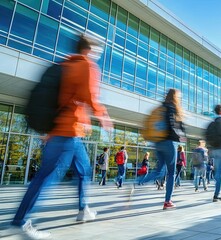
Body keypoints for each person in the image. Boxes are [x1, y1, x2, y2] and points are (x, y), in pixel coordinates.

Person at [11, 34, 112, 239]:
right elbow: (90, 97)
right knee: (47, 176)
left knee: (83, 171)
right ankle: (21, 221)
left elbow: (64, 99)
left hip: (66, 131)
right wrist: (103, 117)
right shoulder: (86, 66)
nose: (98, 54)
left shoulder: (66, 64)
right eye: (97, 50)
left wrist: (53, 130)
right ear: (89, 49)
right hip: (67, 131)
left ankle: (83, 209)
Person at [132, 89, 185, 210]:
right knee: (171, 173)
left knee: (159, 171)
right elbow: (173, 125)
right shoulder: (172, 108)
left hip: (158, 142)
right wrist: (180, 136)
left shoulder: (160, 108)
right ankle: (167, 201)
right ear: (176, 97)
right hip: (170, 143)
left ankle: (138, 181)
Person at [207, 104, 221, 202]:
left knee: (218, 172)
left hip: (214, 150)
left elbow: (207, 135)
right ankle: (216, 195)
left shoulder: (211, 123)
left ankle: (217, 189)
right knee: (220, 173)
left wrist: (210, 148)